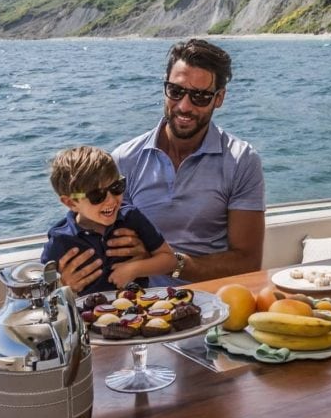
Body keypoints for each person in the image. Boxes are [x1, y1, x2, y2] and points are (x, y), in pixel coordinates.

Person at [58, 38, 265, 290]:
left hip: (213, 303)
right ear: (164, 86)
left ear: (219, 98)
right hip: (138, 304)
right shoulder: (124, 160)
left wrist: (165, 262)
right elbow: (88, 233)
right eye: (176, 91)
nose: (184, 106)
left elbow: (248, 262)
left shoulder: (242, 162)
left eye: (200, 96)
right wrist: (67, 280)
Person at [41, 145, 175, 294]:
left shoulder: (131, 217)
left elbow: (169, 260)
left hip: (139, 304)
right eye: (96, 195)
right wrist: (62, 285)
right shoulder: (60, 240)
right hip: (87, 308)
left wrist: (134, 269)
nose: (111, 200)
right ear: (71, 203)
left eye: (116, 187)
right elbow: (46, 289)